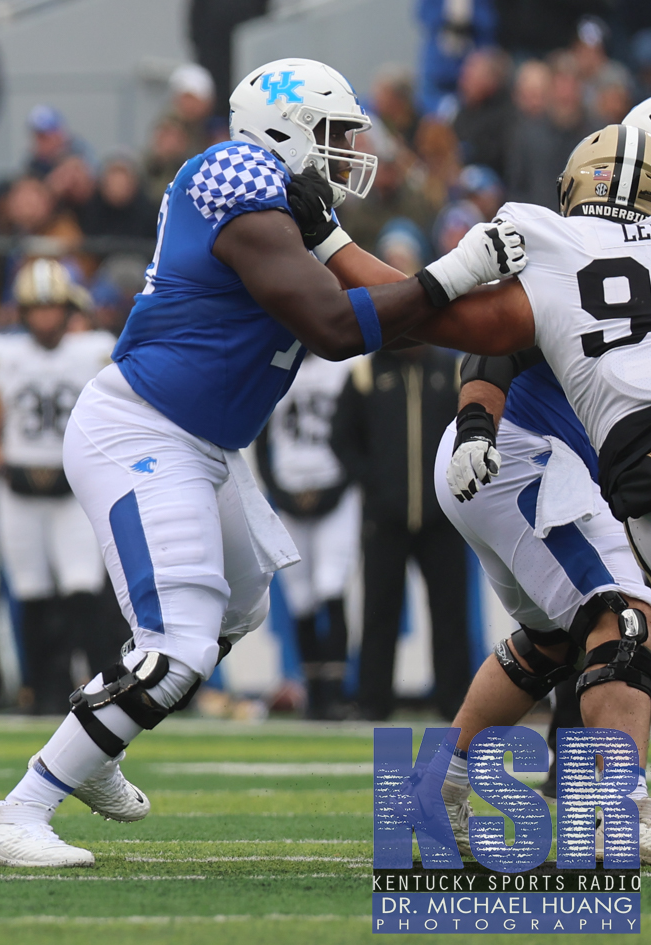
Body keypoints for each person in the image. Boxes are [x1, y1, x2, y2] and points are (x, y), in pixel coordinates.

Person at [0, 57, 525, 869]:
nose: (345, 153)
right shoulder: (231, 172)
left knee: (238, 610)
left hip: (207, 442)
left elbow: (393, 312)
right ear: (285, 129)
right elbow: (337, 327)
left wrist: (458, 297)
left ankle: (100, 743)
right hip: (144, 428)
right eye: (333, 136)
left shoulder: (290, 205)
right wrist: (455, 273)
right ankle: (16, 811)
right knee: (178, 649)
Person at [395, 119, 651, 857]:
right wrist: (478, 423)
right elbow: (496, 346)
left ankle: (434, 786)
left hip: (519, 462)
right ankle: (616, 810)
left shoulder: (582, 256)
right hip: (524, 458)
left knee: (551, 638)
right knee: (623, 616)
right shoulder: (574, 262)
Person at [0, 260, 117, 712]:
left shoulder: (93, 351)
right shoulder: (4, 354)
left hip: (75, 487)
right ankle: (45, 689)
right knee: (32, 591)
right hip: (20, 489)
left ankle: (100, 685)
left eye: (53, 307)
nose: (46, 318)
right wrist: (2, 466)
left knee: (83, 587)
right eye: (37, 308)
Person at [330, 346, 469, 720]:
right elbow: (341, 436)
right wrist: (373, 482)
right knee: (378, 611)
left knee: (450, 613)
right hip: (385, 518)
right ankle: (374, 702)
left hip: (444, 517)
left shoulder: (452, 371)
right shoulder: (366, 374)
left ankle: (455, 703)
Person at [255, 356, 357, 719]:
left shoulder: (345, 367)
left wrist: (335, 488)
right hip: (290, 491)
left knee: (331, 586)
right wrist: (280, 493)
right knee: (301, 598)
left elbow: (360, 434)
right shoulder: (276, 366)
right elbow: (261, 438)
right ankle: (315, 694)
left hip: (336, 492)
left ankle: (335, 692)